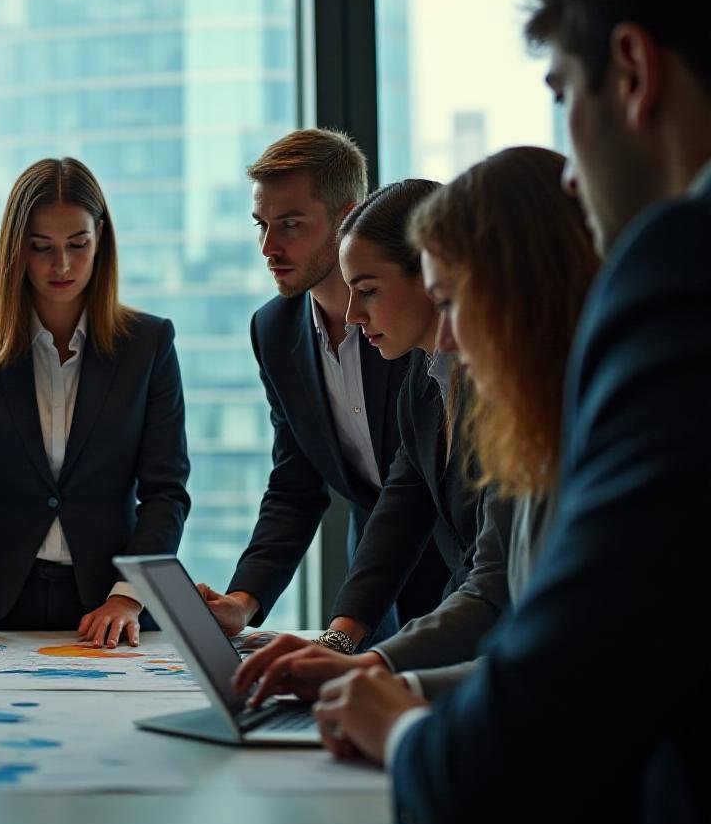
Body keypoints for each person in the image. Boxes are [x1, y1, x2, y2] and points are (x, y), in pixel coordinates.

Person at [309, 0, 711, 824]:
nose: (573, 169)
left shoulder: (676, 277)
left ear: (631, 71)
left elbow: (504, 770)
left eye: (563, 93)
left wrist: (399, 729)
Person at [234, 148, 597, 705]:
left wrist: (386, 684)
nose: (355, 315)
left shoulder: (558, 410)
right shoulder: (425, 381)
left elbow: (521, 619)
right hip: (469, 649)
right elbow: (403, 512)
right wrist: (352, 651)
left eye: (451, 298)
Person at [0, 157, 190, 647]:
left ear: (100, 238)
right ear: (17, 248)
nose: (61, 265)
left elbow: (166, 492)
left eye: (77, 245)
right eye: (41, 248)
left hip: (113, 605)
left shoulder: (149, 343)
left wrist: (129, 596)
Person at [198, 133, 449, 645]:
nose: (269, 247)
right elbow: (295, 484)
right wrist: (244, 601)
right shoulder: (272, 330)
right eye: (261, 226)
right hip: (367, 585)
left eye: (289, 225)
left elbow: (416, 484)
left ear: (347, 216)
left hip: (457, 563)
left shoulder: (413, 320)